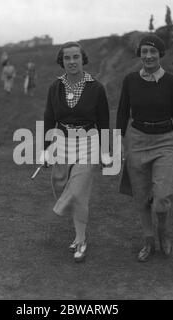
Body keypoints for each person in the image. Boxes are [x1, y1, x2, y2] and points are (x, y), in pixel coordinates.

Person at [116, 35, 173, 262]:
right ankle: (148, 241)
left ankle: (163, 232)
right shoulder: (130, 80)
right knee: (141, 197)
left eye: (153, 52)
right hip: (137, 141)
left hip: (165, 142)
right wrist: (118, 142)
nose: (148, 56)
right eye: (144, 52)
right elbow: (122, 112)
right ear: (140, 55)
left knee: (162, 197)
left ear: (160, 54)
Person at [40, 41, 111, 262]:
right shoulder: (55, 87)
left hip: (89, 142)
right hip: (62, 143)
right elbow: (50, 118)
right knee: (60, 184)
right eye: (67, 58)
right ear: (62, 61)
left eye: (76, 57)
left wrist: (106, 151)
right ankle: (69, 214)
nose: (72, 62)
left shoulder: (96, 87)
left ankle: (80, 240)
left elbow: (104, 122)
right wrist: (45, 150)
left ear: (83, 59)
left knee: (78, 191)